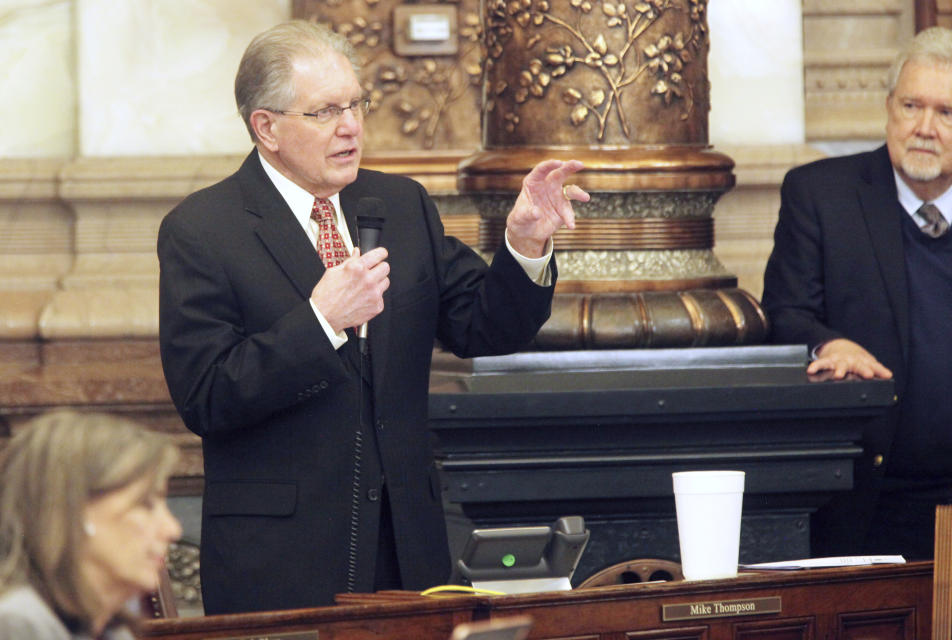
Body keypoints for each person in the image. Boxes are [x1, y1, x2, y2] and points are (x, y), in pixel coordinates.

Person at [157, 20, 588, 614]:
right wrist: (320, 322)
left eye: (356, 104)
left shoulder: (400, 204)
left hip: (407, 551)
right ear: (267, 127)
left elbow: (485, 327)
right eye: (325, 111)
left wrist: (524, 246)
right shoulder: (203, 230)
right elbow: (206, 396)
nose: (351, 127)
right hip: (281, 561)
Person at [762, 26, 952, 559]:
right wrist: (828, 344)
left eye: (947, 113)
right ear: (889, 107)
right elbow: (784, 312)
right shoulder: (821, 195)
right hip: (869, 499)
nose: (924, 128)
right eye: (911, 105)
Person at [0, 410, 182, 639]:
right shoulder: (18, 624)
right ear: (72, 512)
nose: (173, 529)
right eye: (145, 504)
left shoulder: (112, 629)